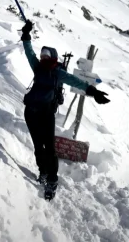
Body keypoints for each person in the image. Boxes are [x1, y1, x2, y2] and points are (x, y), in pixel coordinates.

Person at [20, 20, 110, 199]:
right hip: (30, 112)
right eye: (42, 55)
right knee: (38, 147)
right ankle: (43, 172)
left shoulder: (57, 73)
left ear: (53, 57)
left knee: (50, 149)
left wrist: (93, 91)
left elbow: (75, 81)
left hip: (46, 114)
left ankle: (52, 180)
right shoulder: (37, 67)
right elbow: (29, 52)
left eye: (47, 56)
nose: (43, 58)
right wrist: (26, 34)